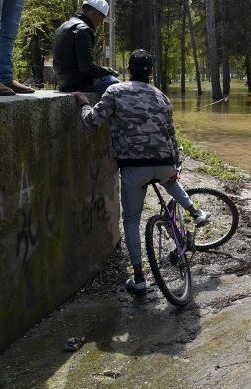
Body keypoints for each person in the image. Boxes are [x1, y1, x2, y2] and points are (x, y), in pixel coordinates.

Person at [74, 49, 210, 295]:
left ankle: (138, 278)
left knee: (132, 219)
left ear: (128, 70)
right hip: (164, 162)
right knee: (169, 179)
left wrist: (83, 104)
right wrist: (175, 163)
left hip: (134, 168)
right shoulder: (162, 97)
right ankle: (195, 211)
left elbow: (91, 122)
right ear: (152, 73)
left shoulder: (115, 91)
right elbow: (170, 134)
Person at [54, 0, 120, 93]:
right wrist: (109, 71)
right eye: (102, 18)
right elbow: (87, 68)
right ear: (94, 13)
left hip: (63, 83)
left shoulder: (63, 26)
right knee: (114, 83)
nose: (101, 22)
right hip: (77, 85)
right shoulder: (82, 30)